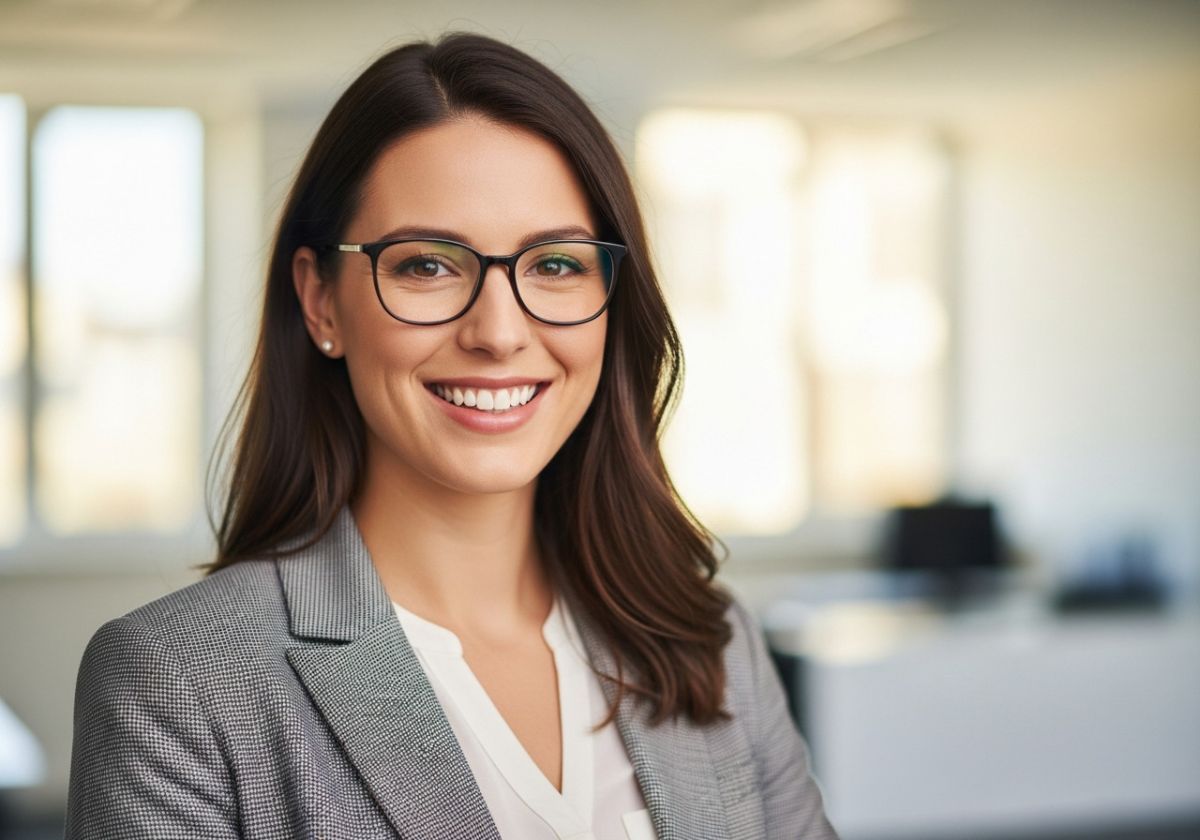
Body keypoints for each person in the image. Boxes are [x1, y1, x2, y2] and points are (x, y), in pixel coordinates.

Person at [63, 32, 839, 840]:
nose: (499, 333)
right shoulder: (179, 681)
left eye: (557, 265)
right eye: (428, 265)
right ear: (322, 303)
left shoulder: (707, 642)